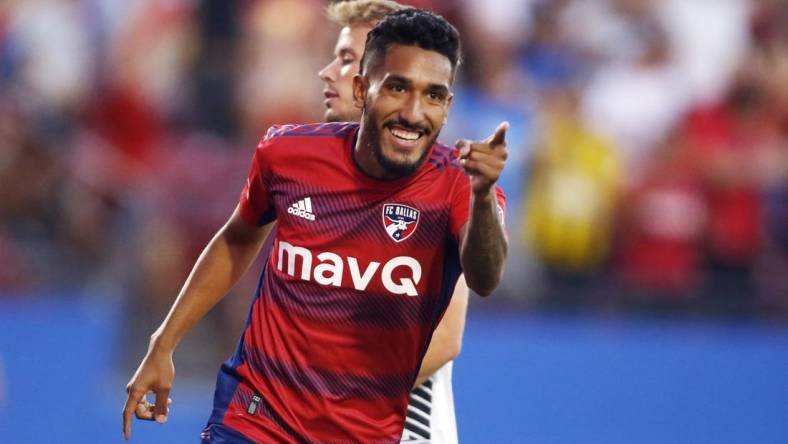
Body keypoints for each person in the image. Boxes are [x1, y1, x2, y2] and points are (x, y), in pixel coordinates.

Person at [123, 8, 509, 443]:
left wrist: (480, 197)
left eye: (433, 96)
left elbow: (473, 296)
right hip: (255, 420)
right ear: (366, 88)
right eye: (397, 87)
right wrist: (164, 340)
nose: (328, 72)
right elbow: (238, 236)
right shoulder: (286, 154)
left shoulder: (455, 187)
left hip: (391, 425)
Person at [317, 1, 468, 442]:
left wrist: (331, 403)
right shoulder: (314, 175)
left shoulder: (435, 183)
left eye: (346, 59)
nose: (328, 72)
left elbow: (443, 338)